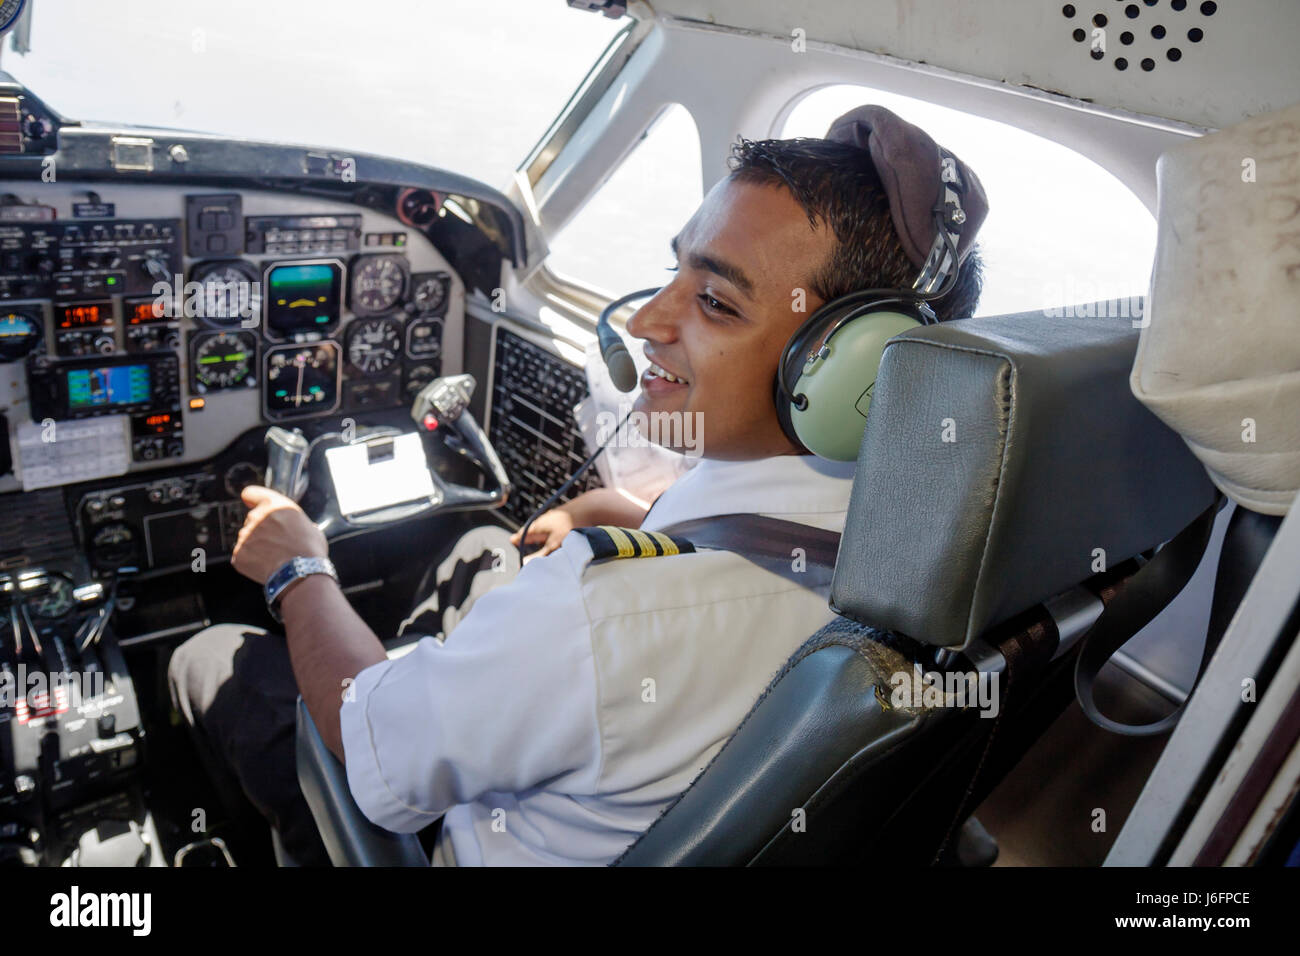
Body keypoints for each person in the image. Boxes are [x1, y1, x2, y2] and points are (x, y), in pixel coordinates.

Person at [169, 105, 987, 866]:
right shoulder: (944, 544)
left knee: (212, 657)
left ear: (849, 373)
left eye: (714, 300)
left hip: (441, 833)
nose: (644, 323)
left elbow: (365, 733)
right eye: (673, 272)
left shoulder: (610, 610)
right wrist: (617, 513)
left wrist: (299, 565)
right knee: (488, 546)